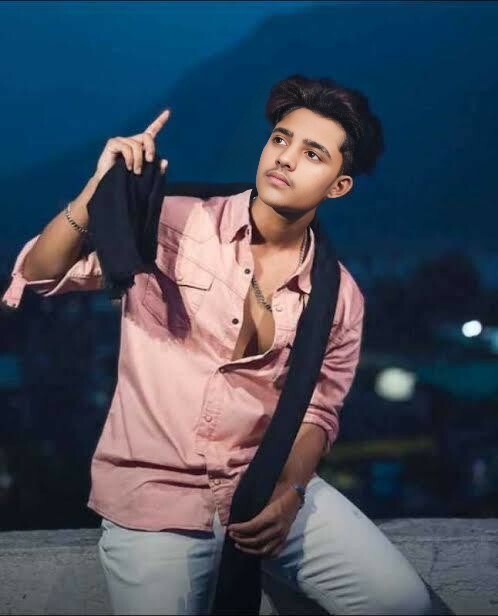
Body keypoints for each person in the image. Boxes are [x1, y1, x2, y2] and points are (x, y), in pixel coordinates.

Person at [1, 74, 432, 615]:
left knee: (402, 603)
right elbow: (40, 274)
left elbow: (318, 412)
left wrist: (291, 493)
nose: (285, 158)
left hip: (262, 483)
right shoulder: (174, 223)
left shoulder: (338, 295)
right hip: (156, 495)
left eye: (312, 153)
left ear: (338, 186)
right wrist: (97, 190)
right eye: (280, 139)